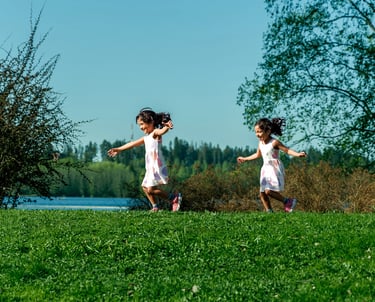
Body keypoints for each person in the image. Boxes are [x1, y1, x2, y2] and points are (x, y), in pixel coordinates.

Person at [107, 108, 182, 212]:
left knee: (151, 189)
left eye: (142, 124)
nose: (141, 127)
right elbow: (132, 144)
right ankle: (155, 206)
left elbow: (162, 131)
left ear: (151, 121)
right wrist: (118, 149)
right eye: (139, 125)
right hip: (150, 166)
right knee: (145, 187)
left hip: (156, 165)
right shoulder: (146, 137)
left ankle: (173, 198)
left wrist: (166, 127)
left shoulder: (155, 133)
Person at [237, 118, 307, 213]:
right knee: (262, 193)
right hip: (265, 169)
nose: (257, 134)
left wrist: (298, 154)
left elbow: (287, 150)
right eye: (256, 132)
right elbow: (257, 155)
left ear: (268, 131)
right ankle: (269, 212)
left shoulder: (274, 142)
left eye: (260, 132)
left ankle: (287, 201)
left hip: (274, 169)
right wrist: (245, 158)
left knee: (268, 191)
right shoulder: (260, 143)